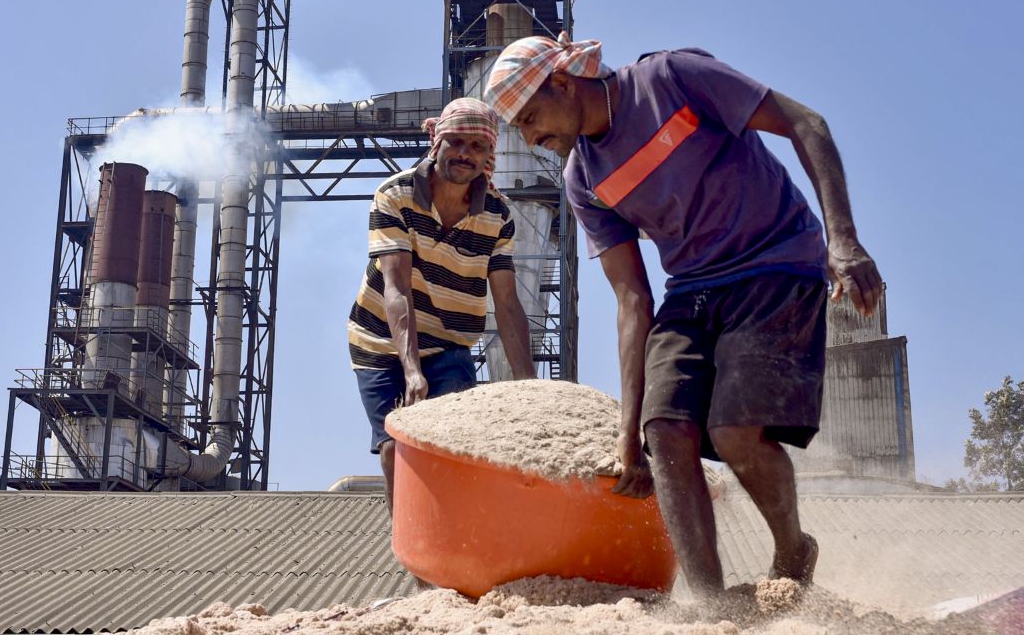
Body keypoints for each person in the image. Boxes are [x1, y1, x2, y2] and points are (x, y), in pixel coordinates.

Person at [484, 34, 882, 598]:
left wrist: (842, 241)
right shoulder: (584, 179)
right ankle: (709, 605)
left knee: (734, 432)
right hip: (693, 288)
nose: (530, 137)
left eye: (530, 117)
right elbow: (632, 299)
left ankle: (793, 546)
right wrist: (628, 435)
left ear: (565, 83)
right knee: (664, 430)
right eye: (519, 128)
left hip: (775, 262)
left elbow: (807, 124)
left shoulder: (672, 79)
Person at [348, 96, 536, 514]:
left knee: (452, 441)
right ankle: (409, 542)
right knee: (397, 446)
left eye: (477, 147)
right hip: (379, 341)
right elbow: (396, 288)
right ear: (438, 143)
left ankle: (452, 529)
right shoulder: (394, 197)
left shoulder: (498, 215)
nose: (464, 154)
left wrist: (529, 385)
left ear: (490, 155)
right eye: (456, 142)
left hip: (450, 342)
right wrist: (412, 371)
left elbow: (507, 303)